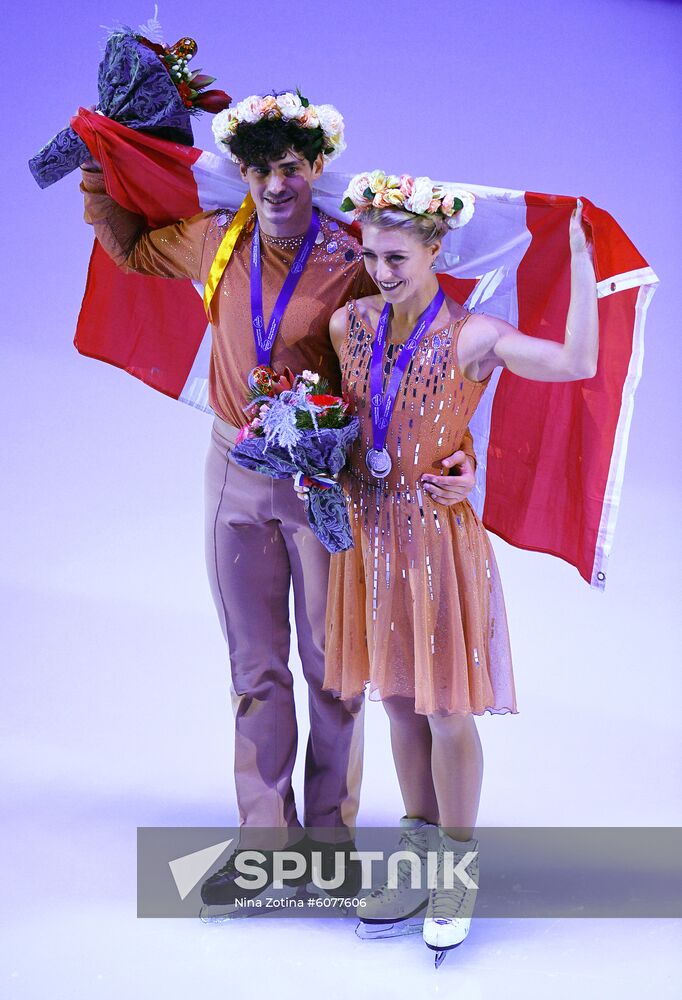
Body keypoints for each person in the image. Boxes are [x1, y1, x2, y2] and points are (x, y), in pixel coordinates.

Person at [77, 93, 478, 904]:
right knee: (255, 667)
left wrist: (461, 450)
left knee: (336, 670)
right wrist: (99, 171)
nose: (273, 185)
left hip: (324, 483)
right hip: (233, 469)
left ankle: (328, 846)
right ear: (244, 173)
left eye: (289, 168)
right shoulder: (214, 242)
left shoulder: (354, 259)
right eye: (258, 170)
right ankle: (267, 845)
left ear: (315, 168)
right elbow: (129, 249)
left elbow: (423, 356)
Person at [312, 171, 597, 956]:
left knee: (445, 708)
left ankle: (457, 872)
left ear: (438, 248)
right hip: (370, 535)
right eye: (371, 254)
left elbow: (575, 362)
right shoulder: (350, 324)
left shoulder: (473, 335)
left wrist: (580, 259)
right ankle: (414, 861)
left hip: (435, 541)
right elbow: (348, 421)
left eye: (399, 255)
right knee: (398, 701)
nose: (383, 270)